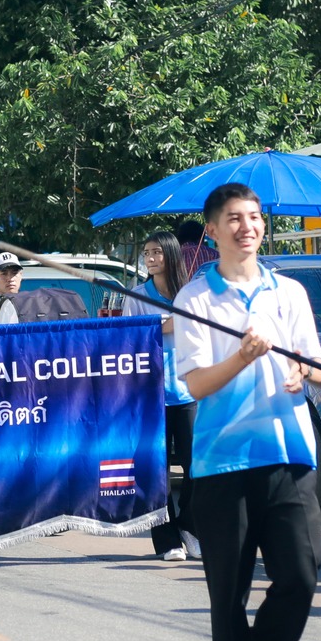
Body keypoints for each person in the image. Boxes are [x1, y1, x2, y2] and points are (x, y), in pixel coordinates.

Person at [173, 183, 321, 641]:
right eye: (234, 218)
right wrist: (241, 355)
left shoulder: (288, 293)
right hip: (222, 462)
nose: (247, 227)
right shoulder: (195, 299)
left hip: (289, 452)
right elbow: (194, 385)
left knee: (302, 572)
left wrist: (304, 373)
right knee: (229, 592)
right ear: (211, 230)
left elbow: (320, 367)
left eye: (255, 217)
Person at [122, 231, 198, 560]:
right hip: (150, 393)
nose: (150, 259)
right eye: (146, 253)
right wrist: (160, 326)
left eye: (156, 252)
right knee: (157, 470)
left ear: (170, 254)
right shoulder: (136, 295)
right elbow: (126, 338)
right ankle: (167, 539)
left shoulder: (192, 294)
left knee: (198, 466)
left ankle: (191, 527)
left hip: (190, 389)